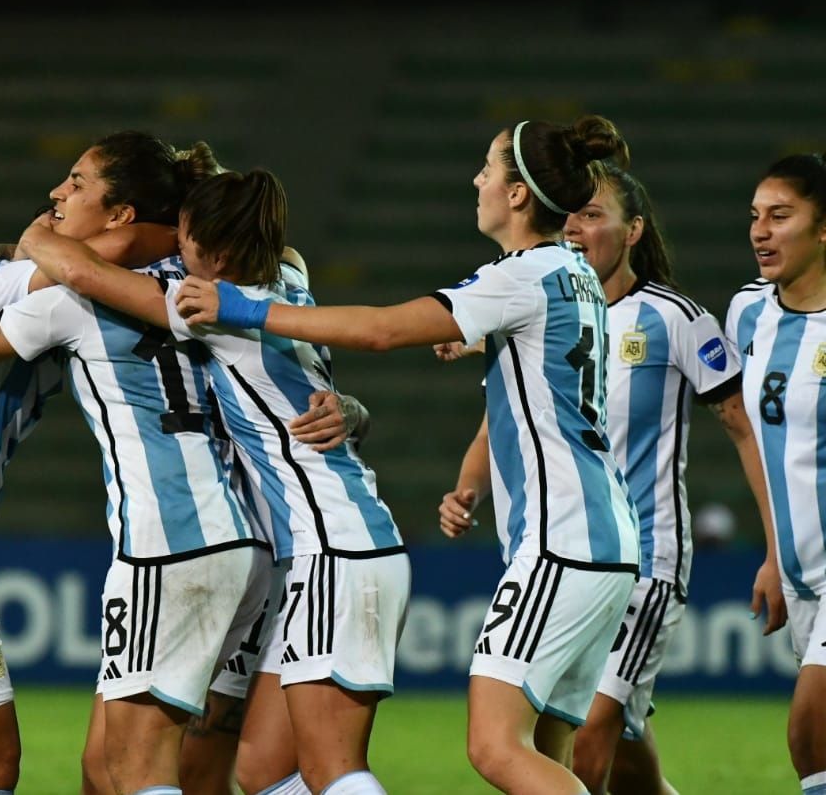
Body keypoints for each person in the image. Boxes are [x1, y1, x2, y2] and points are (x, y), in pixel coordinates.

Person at [174, 118, 641, 794]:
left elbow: (382, 329)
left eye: (488, 169)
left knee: (494, 746)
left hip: (564, 537)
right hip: (604, 539)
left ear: (517, 195)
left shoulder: (525, 274)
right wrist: (481, 340)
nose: (477, 181)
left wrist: (243, 309)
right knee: (543, 754)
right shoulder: (568, 272)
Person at [0, 131, 272, 795]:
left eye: (77, 184)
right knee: (106, 769)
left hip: (167, 541)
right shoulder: (224, 283)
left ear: (121, 215)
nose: (58, 194)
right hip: (249, 537)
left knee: (136, 771)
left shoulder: (74, 299)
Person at [12, 168, 409, 795]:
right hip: (334, 542)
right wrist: (353, 408)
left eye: (187, 238)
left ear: (218, 254)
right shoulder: (287, 284)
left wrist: (38, 230)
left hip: (334, 544)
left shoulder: (212, 305)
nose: (177, 247)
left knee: (332, 771)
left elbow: (83, 273)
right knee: (261, 771)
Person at [440, 165, 786, 794]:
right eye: (572, 212)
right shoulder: (553, 310)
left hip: (646, 556)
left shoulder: (675, 317)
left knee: (591, 737)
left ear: (634, 231)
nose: (576, 227)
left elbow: (742, 426)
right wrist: (470, 486)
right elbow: (501, 421)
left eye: (595, 214)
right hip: (562, 552)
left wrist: (775, 546)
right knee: (610, 760)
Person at [725, 152, 826, 795]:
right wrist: (771, 551)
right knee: (816, 759)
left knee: (809, 729)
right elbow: (758, 440)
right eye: (755, 217)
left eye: (780, 216)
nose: (760, 230)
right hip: (800, 571)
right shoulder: (745, 314)